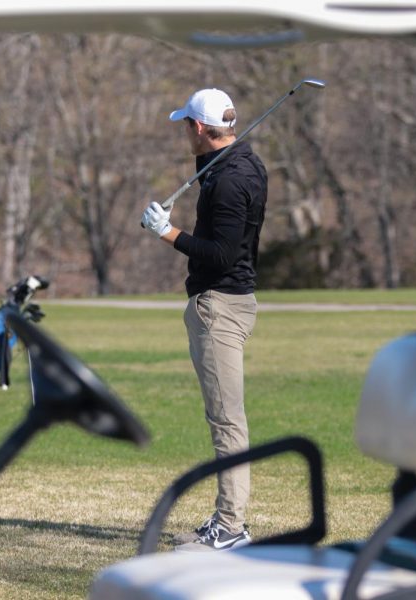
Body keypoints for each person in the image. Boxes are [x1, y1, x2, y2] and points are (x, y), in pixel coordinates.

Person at [142, 88, 268, 552]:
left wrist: (167, 232)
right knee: (225, 418)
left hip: (219, 306)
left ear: (198, 127)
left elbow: (219, 254)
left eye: (185, 126)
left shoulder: (230, 181)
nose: (183, 133)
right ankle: (227, 522)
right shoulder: (244, 163)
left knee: (227, 421)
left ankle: (230, 528)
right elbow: (215, 193)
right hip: (232, 301)